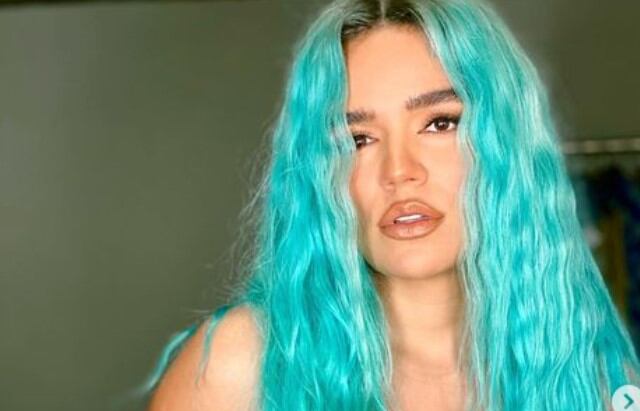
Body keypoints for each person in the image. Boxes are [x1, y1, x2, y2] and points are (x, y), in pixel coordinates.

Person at [139, 0, 640, 410]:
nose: (399, 170)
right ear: (317, 173)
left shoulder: (597, 376)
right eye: (357, 139)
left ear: (505, 146)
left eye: (440, 123)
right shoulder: (240, 369)